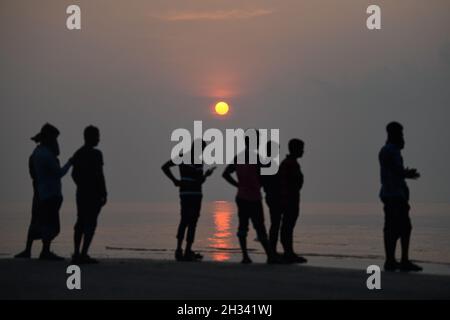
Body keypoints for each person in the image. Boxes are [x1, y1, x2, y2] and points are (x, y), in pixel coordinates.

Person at [15, 123, 72, 260]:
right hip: (49, 194)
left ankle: (29, 250)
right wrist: (70, 162)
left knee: (37, 221)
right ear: (49, 139)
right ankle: (45, 251)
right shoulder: (46, 155)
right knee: (51, 224)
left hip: (41, 192)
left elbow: (33, 173)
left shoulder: (37, 153)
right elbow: (59, 173)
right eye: (55, 139)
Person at [222, 131, 277, 264]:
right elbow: (267, 175)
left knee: (243, 226)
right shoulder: (257, 158)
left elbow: (225, 174)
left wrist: (238, 185)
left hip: (242, 196)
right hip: (253, 197)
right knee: (259, 226)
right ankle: (269, 255)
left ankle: (246, 256)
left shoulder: (239, 157)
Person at [162, 140, 215, 261]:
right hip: (195, 194)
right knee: (192, 223)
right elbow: (199, 181)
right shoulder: (198, 161)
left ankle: (179, 250)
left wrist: (175, 180)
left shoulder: (182, 157)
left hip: (185, 193)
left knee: (184, 221)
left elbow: (165, 167)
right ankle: (187, 251)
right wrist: (207, 175)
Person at [379, 122, 422, 272]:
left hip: (390, 195)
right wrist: (407, 173)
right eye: (401, 134)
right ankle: (401, 260)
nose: (403, 137)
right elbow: (397, 171)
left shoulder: (387, 150)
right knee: (403, 228)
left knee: (392, 228)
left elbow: (394, 170)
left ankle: (392, 260)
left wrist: (405, 173)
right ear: (394, 134)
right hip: (395, 196)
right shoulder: (392, 151)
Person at [71, 126, 107, 264]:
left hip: (81, 193)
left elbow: (74, 174)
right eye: (97, 136)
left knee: (80, 221)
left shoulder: (78, 153)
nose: (99, 139)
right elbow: (100, 174)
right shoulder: (96, 154)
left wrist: (81, 184)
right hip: (94, 193)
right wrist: (104, 192)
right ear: (90, 137)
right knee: (90, 223)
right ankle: (83, 253)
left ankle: (76, 252)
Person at [278, 139, 307, 263]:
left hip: (291, 199)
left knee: (288, 227)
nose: (303, 151)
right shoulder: (289, 164)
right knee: (287, 227)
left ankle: (289, 252)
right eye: (301, 148)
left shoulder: (291, 163)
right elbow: (285, 183)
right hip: (289, 200)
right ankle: (288, 253)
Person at [260, 141, 282, 256]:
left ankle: (272, 249)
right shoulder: (269, 163)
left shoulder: (267, 163)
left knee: (275, 223)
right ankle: (272, 250)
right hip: (273, 196)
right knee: (275, 223)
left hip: (271, 195)